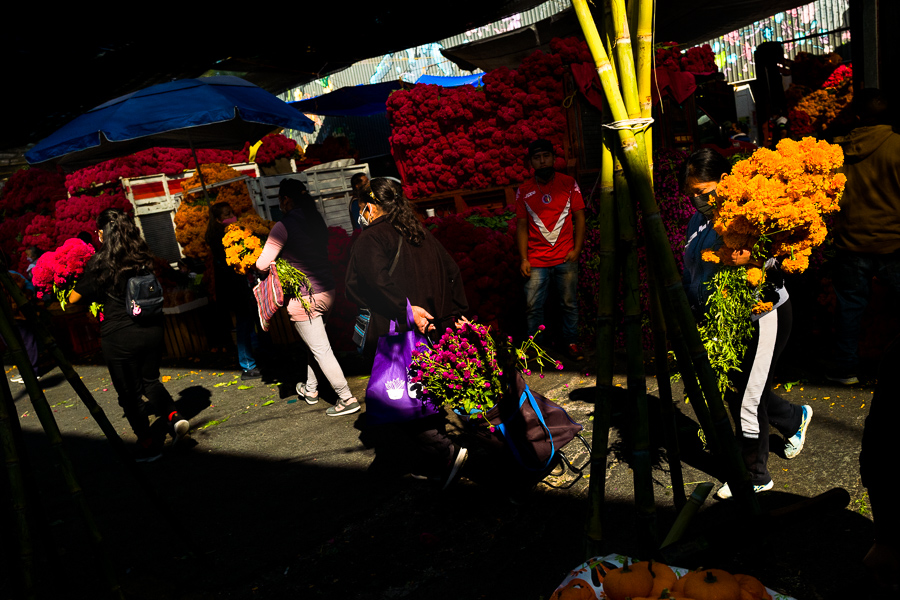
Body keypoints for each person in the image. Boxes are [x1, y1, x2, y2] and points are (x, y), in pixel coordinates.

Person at [680, 148, 812, 500]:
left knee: (747, 399)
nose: (698, 200)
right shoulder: (698, 222)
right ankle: (793, 418)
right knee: (740, 389)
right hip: (722, 321)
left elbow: (781, 257)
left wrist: (754, 259)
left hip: (762, 314)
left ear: (724, 181)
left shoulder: (750, 212)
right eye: (692, 193)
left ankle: (754, 474)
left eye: (703, 191)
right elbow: (692, 265)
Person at [345, 177, 469, 487]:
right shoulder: (418, 232)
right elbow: (452, 271)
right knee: (427, 392)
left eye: (362, 208)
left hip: (401, 332)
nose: (362, 214)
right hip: (434, 329)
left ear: (370, 207)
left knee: (396, 397)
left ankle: (445, 451)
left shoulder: (371, 238)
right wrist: (457, 313)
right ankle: (438, 455)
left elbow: (372, 281)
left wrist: (405, 309)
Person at [69, 209, 189, 462]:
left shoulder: (100, 263)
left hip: (120, 336)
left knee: (130, 394)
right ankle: (174, 418)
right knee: (151, 381)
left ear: (102, 234)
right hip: (152, 329)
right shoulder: (143, 256)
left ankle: (148, 446)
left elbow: (74, 299)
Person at [255, 179, 359, 416]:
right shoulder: (315, 220)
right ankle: (311, 389)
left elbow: (261, 264)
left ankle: (346, 398)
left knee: (321, 349)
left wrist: (270, 262)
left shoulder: (283, 226)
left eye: (281, 200)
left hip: (304, 298)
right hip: (328, 291)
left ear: (286, 200)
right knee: (316, 346)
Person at [827, 88, 900, 385]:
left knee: (849, 309)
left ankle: (846, 369)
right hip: (894, 243)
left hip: (850, 243)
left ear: (856, 116)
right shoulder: (897, 145)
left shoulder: (836, 149)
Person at [516, 138, 585, 360]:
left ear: (554, 158)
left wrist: (577, 249)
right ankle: (535, 349)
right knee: (533, 307)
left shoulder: (568, 183)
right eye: (537, 157)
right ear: (531, 163)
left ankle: (572, 343)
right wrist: (524, 258)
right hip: (536, 261)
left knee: (568, 304)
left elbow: (580, 218)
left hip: (565, 256)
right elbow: (521, 225)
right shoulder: (524, 190)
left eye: (546, 156)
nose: (542, 161)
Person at [206, 203, 261, 380]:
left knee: (251, 322)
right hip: (235, 289)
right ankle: (247, 365)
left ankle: (256, 358)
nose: (231, 215)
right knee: (244, 325)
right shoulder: (219, 239)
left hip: (242, 285)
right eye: (227, 214)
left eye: (232, 212)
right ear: (217, 219)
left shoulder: (235, 232)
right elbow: (230, 263)